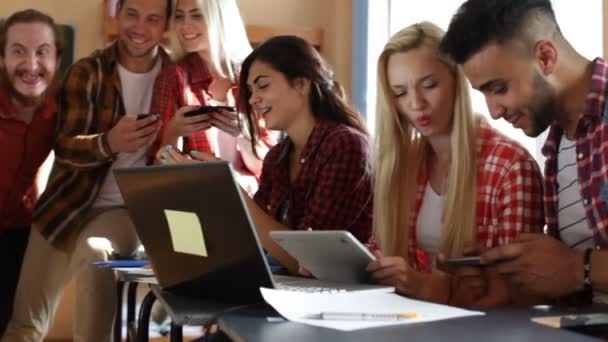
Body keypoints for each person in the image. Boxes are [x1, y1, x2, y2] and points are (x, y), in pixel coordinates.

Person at [1, 0, 172, 340]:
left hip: (123, 209)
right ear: (117, 14)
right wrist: (109, 142)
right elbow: (65, 145)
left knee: (97, 258)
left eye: (153, 19)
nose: (139, 27)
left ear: (166, 25)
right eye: (131, 14)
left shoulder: (175, 77)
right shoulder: (88, 71)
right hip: (65, 203)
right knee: (24, 323)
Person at [160, 35, 373, 274]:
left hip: (342, 295)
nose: (253, 99)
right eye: (250, 91)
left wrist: (229, 186)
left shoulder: (345, 145)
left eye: (263, 86)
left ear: (301, 84)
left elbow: (310, 264)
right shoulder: (277, 157)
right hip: (294, 289)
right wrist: (206, 190)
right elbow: (249, 240)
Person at [441, 0, 608, 304]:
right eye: (484, 93)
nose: (493, 112)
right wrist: (512, 271)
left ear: (545, 57)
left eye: (499, 88)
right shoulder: (558, 144)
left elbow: (574, 269)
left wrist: (577, 268)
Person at [368, 21, 544, 307]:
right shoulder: (401, 166)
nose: (416, 103)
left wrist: (425, 284)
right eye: (400, 93)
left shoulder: (511, 167)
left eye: (429, 85)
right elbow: (386, 255)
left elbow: (520, 291)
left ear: (458, 81)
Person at [152, 0, 271, 194]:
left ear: (221, 18)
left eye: (197, 15)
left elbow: (270, 170)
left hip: (252, 199)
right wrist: (173, 133)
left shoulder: (255, 77)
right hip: (198, 196)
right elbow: (158, 171)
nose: (185, 25)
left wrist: (244, 135)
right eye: (179, 16)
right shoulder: (172, 77)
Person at [0, 9, 62, 336]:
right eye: (18, 51)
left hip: (19, 232)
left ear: (57, 59)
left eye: (42, 52)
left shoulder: (58, 111)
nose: (31, 65)